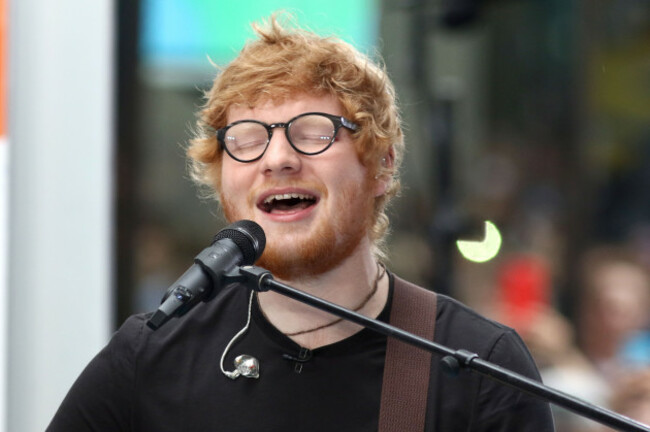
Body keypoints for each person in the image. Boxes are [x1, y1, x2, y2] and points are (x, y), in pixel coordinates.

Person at [47, 14, 554, 431]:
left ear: (382, 165)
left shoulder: (480, 369)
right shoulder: (152, 357)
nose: (278, 158)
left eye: (314, 133)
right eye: (247, 138)